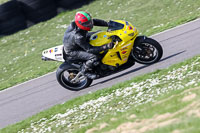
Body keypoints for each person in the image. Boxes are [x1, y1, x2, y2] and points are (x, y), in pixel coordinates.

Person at [63, 11, 113, 79]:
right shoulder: (78, 36)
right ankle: (85, 71)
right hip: (73, 50)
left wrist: (109, 24)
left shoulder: (81, 24)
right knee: (94, 57)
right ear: (80, 24)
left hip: (79, 40)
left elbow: (94, 21)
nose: (90, 24)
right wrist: (105, 46)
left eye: (90, 21)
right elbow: (89, 49)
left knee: (99, 33)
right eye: (87, 23)